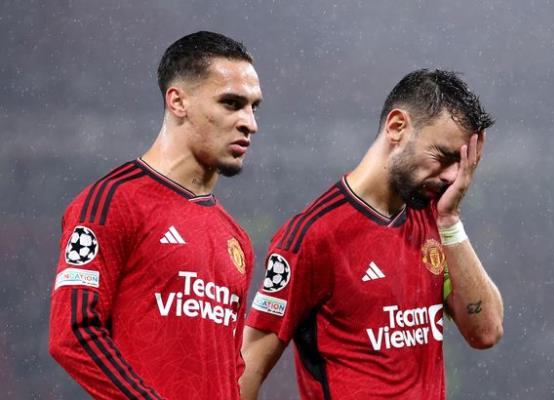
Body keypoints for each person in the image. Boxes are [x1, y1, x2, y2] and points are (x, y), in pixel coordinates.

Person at [240, 69, 504, 400]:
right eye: (443, 156)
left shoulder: (434, 217)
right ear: (397, 127)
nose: (452, 177)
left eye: (462, 165)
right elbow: (249, 363)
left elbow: (486, 332)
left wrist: (450, 220)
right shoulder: (313, 236)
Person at [49, 31, 263, 400]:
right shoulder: (112, 202)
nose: (249, 123)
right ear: (178, 101)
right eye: (231, 103)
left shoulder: (236, 239)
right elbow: (74, 332)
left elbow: (231, 367)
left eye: (253, 107)